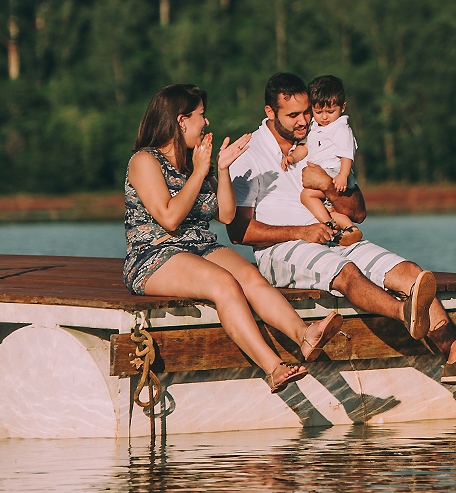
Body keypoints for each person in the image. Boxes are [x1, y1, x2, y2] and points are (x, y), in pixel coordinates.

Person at [227, 73, 456, 386]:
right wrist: (301, 232)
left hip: (334, 237)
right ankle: (405, 314)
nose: (304, 121)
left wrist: (329, 186)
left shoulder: (324, 137)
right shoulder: (249, 154)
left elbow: (357, 212)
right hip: (283, 249)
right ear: (269, 112)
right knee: (347, 272)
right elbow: (239, 232)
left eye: (307, 111)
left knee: (411, 272)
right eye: (294, 115)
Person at [124, 84, 344, 394]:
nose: (207, 123)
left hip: (200, 246)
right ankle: (273, 367)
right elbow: (169, 217)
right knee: (224, 284)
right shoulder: (144, 161)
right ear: (181, 120)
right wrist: (201, 172)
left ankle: (304, 335)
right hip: (154, 254)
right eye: (202, 115)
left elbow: (226, 215)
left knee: (249, 276)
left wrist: (222, 169)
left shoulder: (194, 162)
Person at [280, 75, 361, 245]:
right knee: (330, 208)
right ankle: (350, 229)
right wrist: (292, 157)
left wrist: (343, 175)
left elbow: (347, 153)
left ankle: (329, 226)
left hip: (336, 174)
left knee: (306, 195)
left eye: (330, 112)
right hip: (328, 175)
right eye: (318, 112)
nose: (324, 117)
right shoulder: (316, 128)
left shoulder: (340, 128)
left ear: (343, 107)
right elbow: (306, 147)